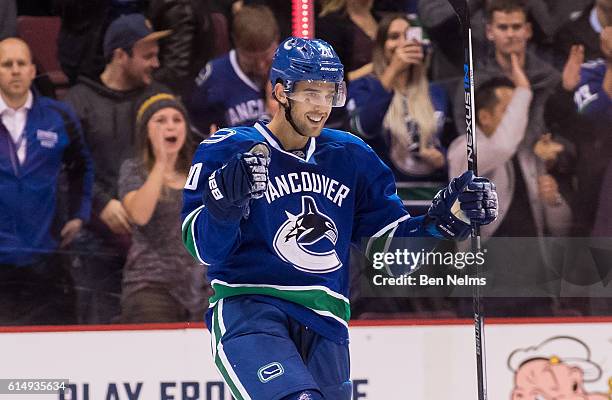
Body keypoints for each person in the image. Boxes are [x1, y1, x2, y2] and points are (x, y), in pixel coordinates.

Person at [181, 37, 498, 399]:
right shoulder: (226, 149)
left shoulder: (351, 156)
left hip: (327, 322)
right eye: (310, 93)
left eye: (330, 93)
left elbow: (390, 259)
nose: (321, 107)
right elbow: (205, 250)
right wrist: (224, 203)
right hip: (250, 310)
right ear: (282, 91)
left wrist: (445, 221)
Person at [64, 13, 170, 323]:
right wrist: (100, 203)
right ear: (120, 56)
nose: (156, 63)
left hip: (150, 238)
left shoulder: (159, 101)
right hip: (96, 236)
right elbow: (64, 169)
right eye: (147, 55)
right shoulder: (78, 102)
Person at [0, 38, 93, 325]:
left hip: (45, 255)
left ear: (32, 70)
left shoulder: (58, 116)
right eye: (7, 64)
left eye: (21, 63)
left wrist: (79, 215)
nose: (15, 70)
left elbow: (82, 167)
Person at [118, 93, 209, 323]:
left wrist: (217, 163)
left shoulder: (199, 170)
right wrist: (161, 163)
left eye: (177, 120)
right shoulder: (134, 170)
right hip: (151, 284)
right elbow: (139, 214)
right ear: (145, 131)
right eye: (160, 120)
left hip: (202, 284)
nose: (170, 126)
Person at [348, 14, 449, 182]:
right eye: (394, 37)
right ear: (381, 46)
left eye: (409, 36)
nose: (404, 43)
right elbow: (364, 129)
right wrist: (393, 69)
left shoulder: (436, 92)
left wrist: (442, 160)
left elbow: (450, 145)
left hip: (431, 193)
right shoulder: (363, 86)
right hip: (383, 194)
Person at [188, 5, 280, 136]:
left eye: (266, 57)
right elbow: (195, 133)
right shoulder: (214, 78)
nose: (260, 66)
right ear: (235, 44)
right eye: (251, 59)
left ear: (277, 39)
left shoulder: (294, 68)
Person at [147, 0, 215, 98]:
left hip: (183, 95)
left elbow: (175, 69)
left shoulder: (179, 9)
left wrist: (140, 83)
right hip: (191, 85)